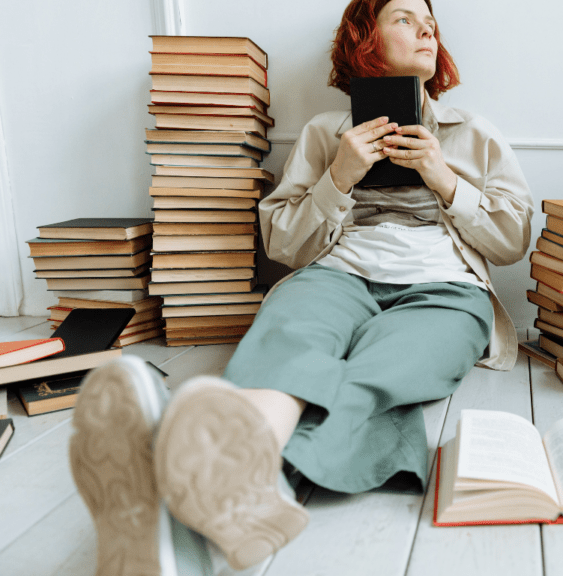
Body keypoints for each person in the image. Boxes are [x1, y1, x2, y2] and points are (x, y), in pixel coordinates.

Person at [68, 0, 533, 573]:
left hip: (443, 289)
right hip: (336, 276)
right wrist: (339, 176)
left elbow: (512, 241)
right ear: (365, 37)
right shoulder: (323, 134)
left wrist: (443, 176)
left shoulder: (474, 133)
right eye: (405, 17)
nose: (427, 27)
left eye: (430, 20)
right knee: (290, 340)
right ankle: (236, 472)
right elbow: (283, 244)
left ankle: (210, 474)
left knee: (384, 371)